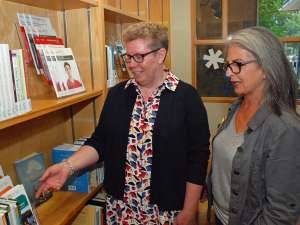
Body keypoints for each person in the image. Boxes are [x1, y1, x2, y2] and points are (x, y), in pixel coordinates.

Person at [36, 22, 210, 225]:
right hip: (121, 209)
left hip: (167, 211)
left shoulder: (187, 97)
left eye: (139, 57)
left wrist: (190, 210)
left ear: (160, 55)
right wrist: (67, 167)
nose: (132, 64)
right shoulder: (118, 94)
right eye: (128, 57)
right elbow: (100, 142)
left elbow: (197, 159)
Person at [206, 26, 300, 225]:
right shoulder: (235, 108)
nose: (229, 74)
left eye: (238, 64)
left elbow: (280, 213)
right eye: (228, 65)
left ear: (266, 68)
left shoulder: (285, 128)